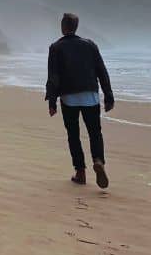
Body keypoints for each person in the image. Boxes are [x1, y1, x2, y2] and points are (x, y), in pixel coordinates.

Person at [45, 13, 115, 188]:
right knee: (95, 132)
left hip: (68, 97)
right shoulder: (90, 45)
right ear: (76, 26)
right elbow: (102, 71)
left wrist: (52, 101)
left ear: (63, 26)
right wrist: (108, 96)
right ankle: (98, 160)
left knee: (73, 135)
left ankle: (80, 172)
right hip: (90, 95)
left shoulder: (56, 47)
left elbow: (53, 77)